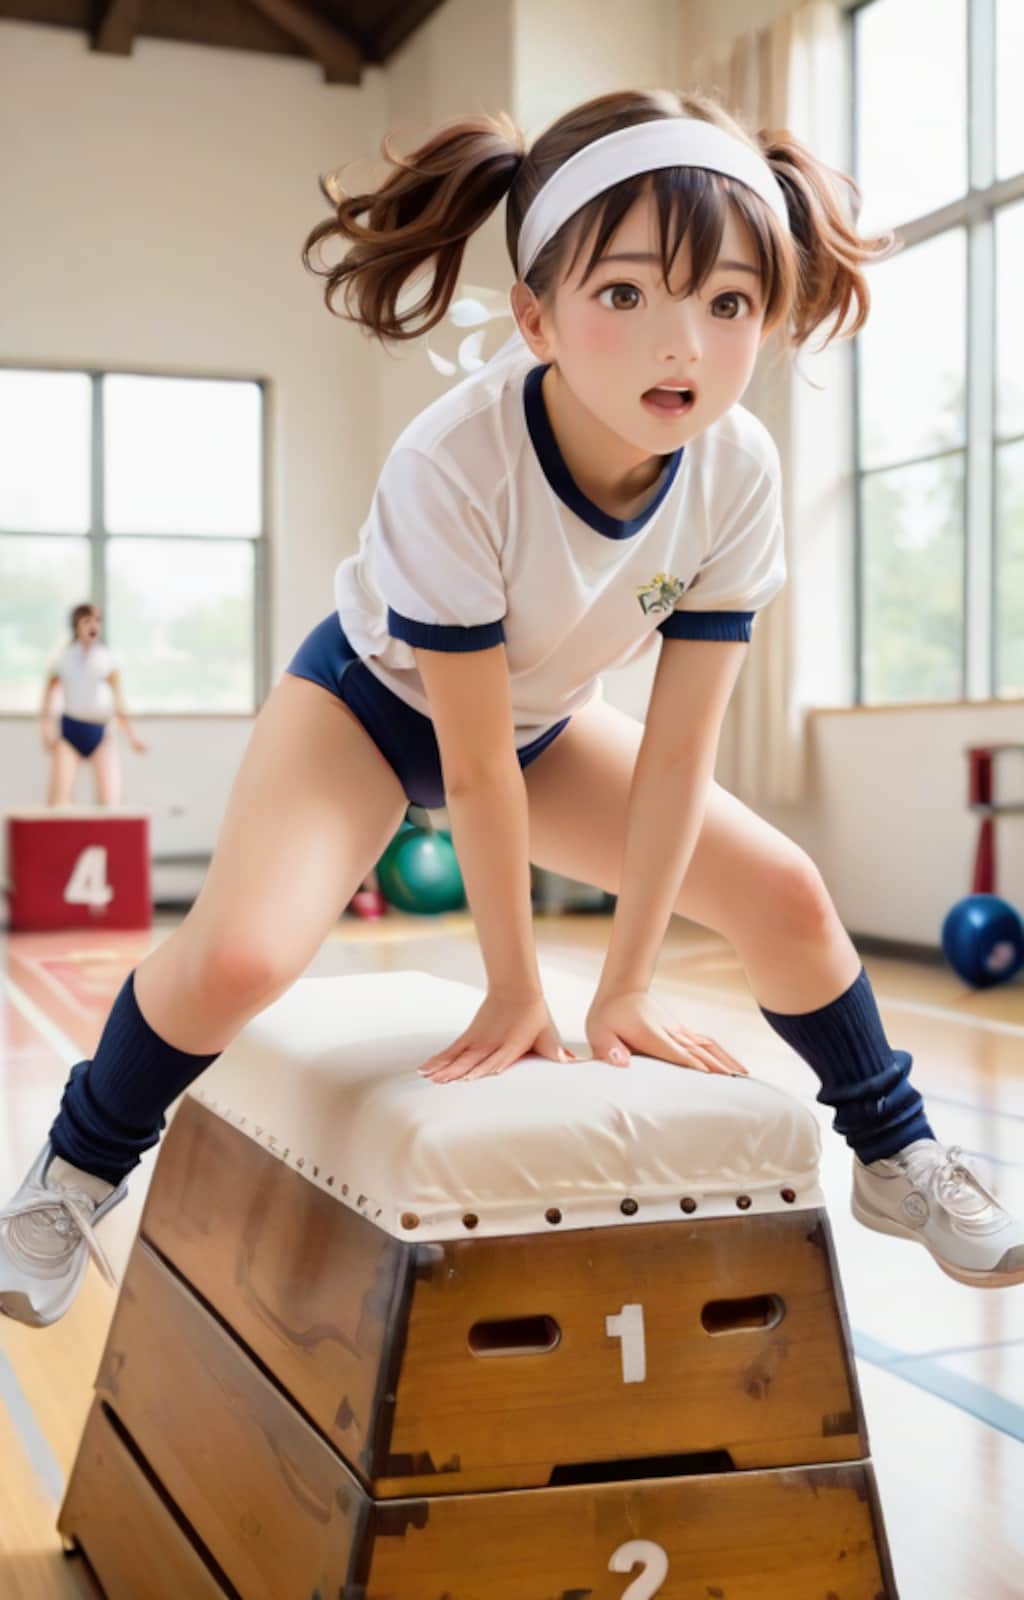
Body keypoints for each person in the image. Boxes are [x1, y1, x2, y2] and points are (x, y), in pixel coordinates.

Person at [2, 88, 1020, 1331]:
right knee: (241, 957)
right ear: (534, 315)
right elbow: (469, 773)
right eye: (626, 295)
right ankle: (70, 1171)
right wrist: (516, 985)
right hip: (367, 707)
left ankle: (897, 1154)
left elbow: (680, 751)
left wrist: (628, 984)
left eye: (728, 303)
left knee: (787, 893)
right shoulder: (456, 459)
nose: (682, 345)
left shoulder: (739, 474)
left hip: (539, 724)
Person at [40, 603, 148, 806]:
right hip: (70, 731)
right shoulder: (63, 658)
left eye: (97, 621)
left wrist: (132, 737)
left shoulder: (107, 658)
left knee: (110, 801)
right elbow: (48, 697)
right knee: (58, 801)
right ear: (76, 625)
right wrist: (46, 730)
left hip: (100, 732)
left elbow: (118, 702)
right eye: (87, 621)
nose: (94, 626)